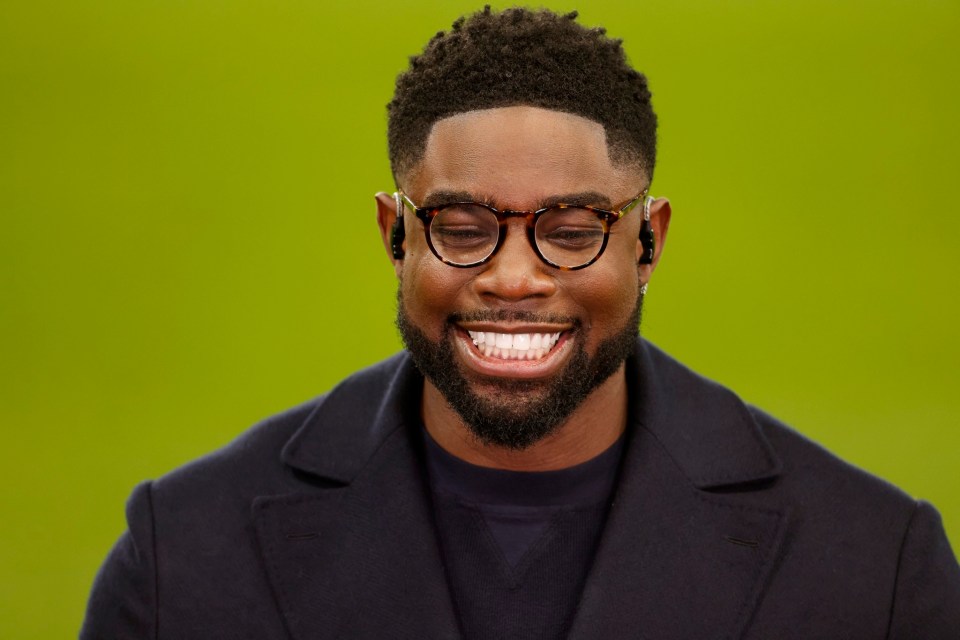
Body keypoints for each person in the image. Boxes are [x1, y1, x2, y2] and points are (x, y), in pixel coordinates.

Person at [81, 7, 960, 639]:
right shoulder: (183, 556)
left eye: (571, 233)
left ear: (647, 244)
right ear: (396, 235)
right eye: (462, 230)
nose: (512, 276)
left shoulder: (875, 568)